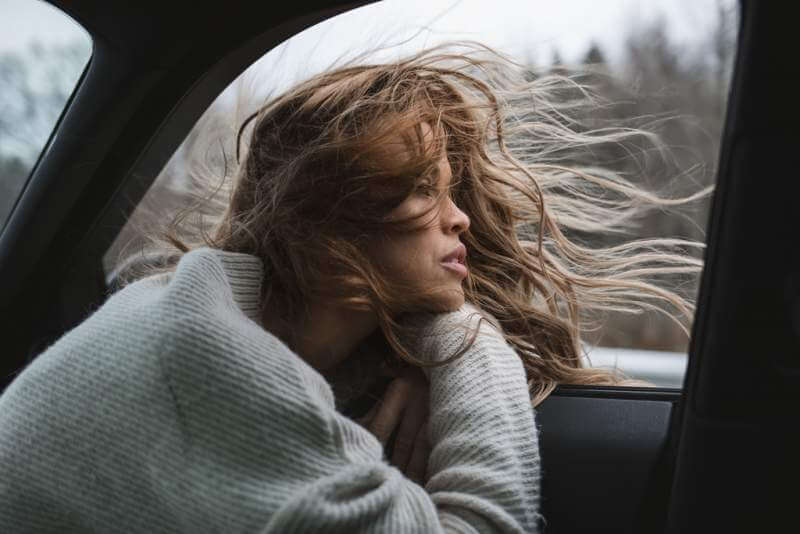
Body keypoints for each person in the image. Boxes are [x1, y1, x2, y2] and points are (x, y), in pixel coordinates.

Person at [0, 42, 703, 532]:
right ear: (327, 225)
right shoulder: (222, 369)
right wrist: (461, 339)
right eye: (424, 192)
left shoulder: (186, 313)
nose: (459, 217)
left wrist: (417, 355)